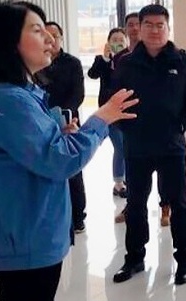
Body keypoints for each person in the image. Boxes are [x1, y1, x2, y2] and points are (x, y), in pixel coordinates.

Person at [0, 0, 136, 301]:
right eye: (36, 29)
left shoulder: (19, 95)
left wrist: (59, 128)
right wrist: (101, 119)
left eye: (47, 30)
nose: (48, 38)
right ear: (10, 42)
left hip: (28, 238)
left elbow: (37, 150)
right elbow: (59, 161)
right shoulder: (8, 101)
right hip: (25, 246)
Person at [111, 4, 186, 286]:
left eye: (160, 25)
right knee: (135, 204)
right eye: (148, 25)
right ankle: (135, 258)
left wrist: (183, 125)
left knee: (179, 204)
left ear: (168, 28)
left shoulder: (184, 61)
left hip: (171, 146)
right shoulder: (126, 64)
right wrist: (127, 127)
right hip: (137, 146)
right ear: (138, 29)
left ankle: (184, 258)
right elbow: (112, 101)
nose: (154, 30)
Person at [113, 12, 171, 226]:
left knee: (167, 179)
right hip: (135, 134)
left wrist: (181, 124)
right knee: (136, 184)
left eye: (138, 24)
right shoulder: (123, 60)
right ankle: (131, 210)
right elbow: (114, 92)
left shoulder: (172, 58)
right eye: (131, 25)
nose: (135, 28)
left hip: (165, 135)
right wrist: (125, 125)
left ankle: (165, 208)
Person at [36, 21, 87, 234]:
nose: (50, 40)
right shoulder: (37, 62)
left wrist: (62, 115)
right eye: (45, 35)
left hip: (68, 122)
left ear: (61, 38)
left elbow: (78, 94)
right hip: (40, 123)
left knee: (73, 168)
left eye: (55, 36)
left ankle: (78, 216)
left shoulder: (72, 63)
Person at [88, 27, 128, 198]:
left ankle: (127, 180)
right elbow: (92, 74)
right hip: (109, 111)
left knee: (128, 146)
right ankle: (119, 182)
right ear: (108, 43)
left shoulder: (130, 60)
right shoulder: (102, 60)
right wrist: (105, 58)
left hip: (127, 109)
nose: (118, 43)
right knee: (120, 146)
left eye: (121, 40)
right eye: (114, 40)